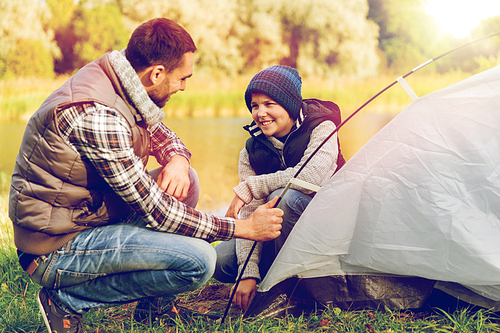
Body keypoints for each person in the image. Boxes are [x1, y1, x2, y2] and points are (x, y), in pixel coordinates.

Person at [9, 18, 283, 332]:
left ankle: (155, 310)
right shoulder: (98, 116)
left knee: (187, 179)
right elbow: (159, 213)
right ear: (156, 74)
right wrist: (243, 228)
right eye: (182, 78)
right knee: (200, 262)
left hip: (84, 217)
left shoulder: (121, 80)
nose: (184, 87)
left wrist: (178, 159)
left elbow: (162, 135)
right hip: (53, 249)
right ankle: (67, 301)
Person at [213, 65, 346, 311]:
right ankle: (271, 274)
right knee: (220, 261)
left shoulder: (322, 127)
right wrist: (247, 272)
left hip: (327, 230)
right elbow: (249, 213)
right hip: (277, 235)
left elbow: (311, 176)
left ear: (290, 104)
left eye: (269, 104)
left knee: (282, 198)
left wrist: (253, 186)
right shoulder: (250, 151)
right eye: (254, 106)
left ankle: (297, 284)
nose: (260, 113)